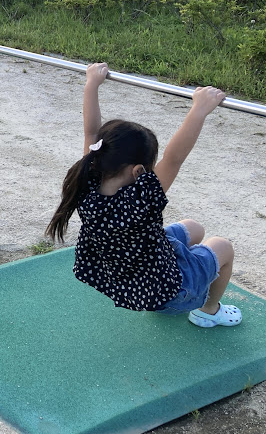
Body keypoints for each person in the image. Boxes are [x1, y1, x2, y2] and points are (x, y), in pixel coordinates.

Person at [46, 62, 241, 328]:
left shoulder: (88, 177)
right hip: (167, 294)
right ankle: (208, 310)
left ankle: (186, 274)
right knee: (223, 246)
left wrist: (92, 83)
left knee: (194, 229)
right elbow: (174, 159)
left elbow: (91, 132)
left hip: (128, 277)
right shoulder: (141, 199)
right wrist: (200, 109)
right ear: (138, 170)